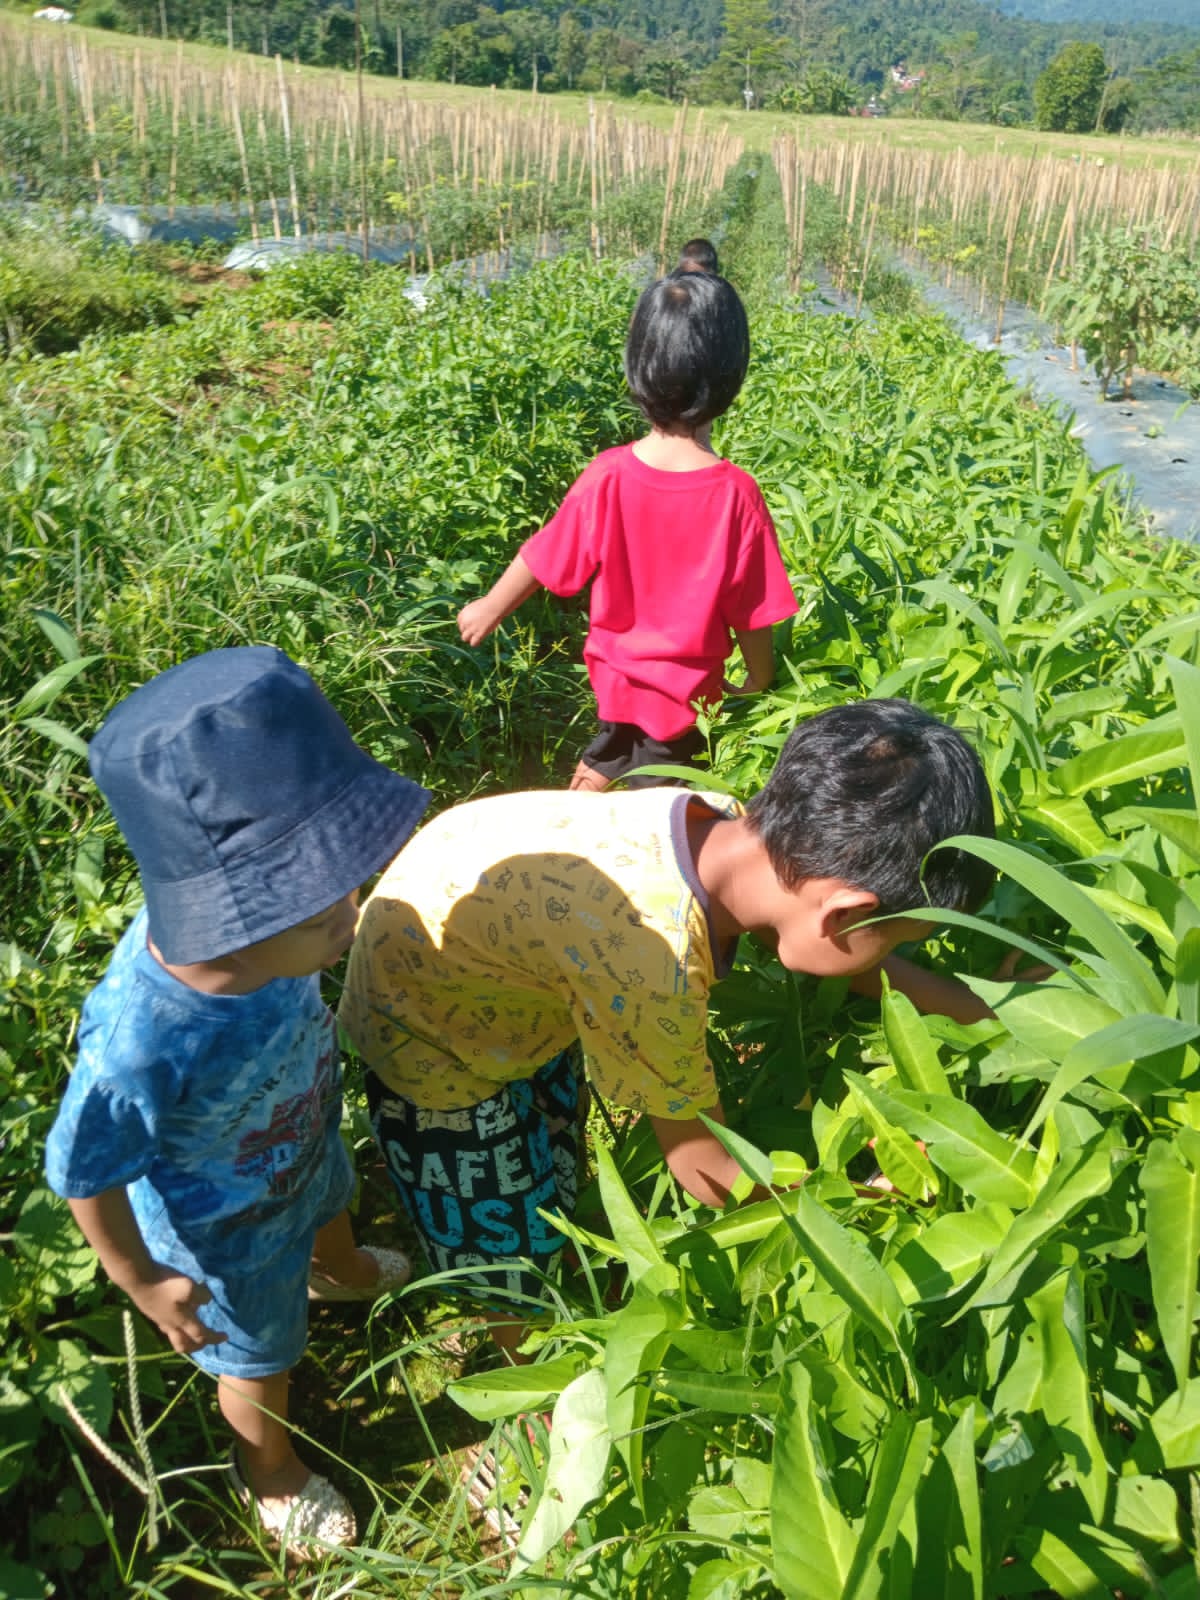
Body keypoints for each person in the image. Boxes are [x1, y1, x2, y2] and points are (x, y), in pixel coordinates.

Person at [338, 698, 997, 1359]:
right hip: (430, 1045)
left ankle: (552, 1249)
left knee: (547, 1153)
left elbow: (839, 957)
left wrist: (988, 1007)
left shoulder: (722, 832)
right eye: (892, 942)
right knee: (504, 1236)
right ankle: (520, 1370)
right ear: (844, 913)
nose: (886, 957)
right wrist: (872, 1199)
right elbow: (704, 1169)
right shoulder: (652, 961)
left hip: (498, 967)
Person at [45, 647, 430, 1556]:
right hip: (226, 1229)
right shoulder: (141, 1042)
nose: (353, 903)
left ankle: (336, 1273)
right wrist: (144, 1281)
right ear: (238, 914)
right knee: (261, 1358)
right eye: (321, 898)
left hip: (298, 1139)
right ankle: (271, 1471)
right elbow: (82, 1170)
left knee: (333, 1200)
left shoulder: (276, 948)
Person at [457, 269, 797, 792]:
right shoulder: (735, 495)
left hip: (614, 682)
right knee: (665, 793)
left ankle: (585, 797)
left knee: (615, 742)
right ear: (732, 375)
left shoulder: (608, 474)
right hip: (688, 697)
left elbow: (547, 554)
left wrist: (490, 608)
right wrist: (761, 676)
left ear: (638, 368)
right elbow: (751, 609)